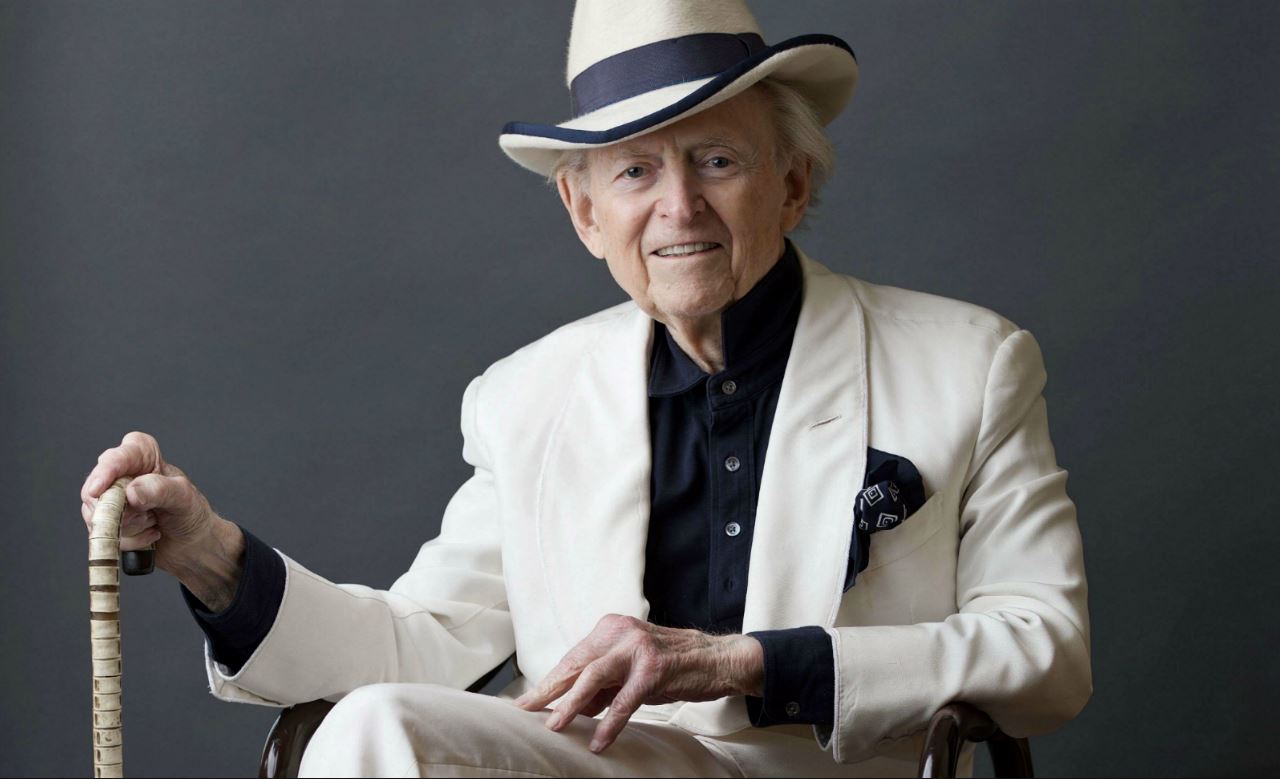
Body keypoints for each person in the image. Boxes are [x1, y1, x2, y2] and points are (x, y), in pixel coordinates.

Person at [79, 1, 1092, 776]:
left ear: (790, 183)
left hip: (828, 770)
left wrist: (742, 660)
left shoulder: (970, 362)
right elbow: (419, 643)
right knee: (373, 723)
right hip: (615, 765)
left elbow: (1046, 653)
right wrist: (210, 557)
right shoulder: (525, 397)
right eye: (635, 172)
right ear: (583, 211)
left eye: (715, 159)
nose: (678, 206)